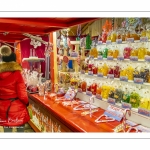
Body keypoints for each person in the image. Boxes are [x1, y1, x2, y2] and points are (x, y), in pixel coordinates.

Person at [0, 45, 30, 132]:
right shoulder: (17, 74)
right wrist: (27, 102)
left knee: (7, 131)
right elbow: (22, 94)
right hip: (17, 108)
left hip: (3, 108)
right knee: (20, 131)